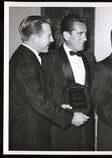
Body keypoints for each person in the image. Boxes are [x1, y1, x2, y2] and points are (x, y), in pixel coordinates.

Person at [9, 15, 89, 150]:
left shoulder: (26, 57)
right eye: (49, 36)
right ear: (34, 39)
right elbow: (40, 103)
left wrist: (58, 106)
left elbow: (36, 96)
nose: (52, 40)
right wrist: (70, 118)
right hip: (29, 134)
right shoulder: (25, 63)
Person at [40, 14, 96, 151]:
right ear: (66, 35)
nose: (86, 38)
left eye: (86, 34)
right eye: (80, 34)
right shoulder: (48, 58)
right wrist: (66, 115)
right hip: (62, 129)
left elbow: (102, 79)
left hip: (87, 127)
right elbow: (41, 96)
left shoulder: (90, 58)